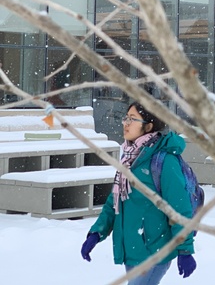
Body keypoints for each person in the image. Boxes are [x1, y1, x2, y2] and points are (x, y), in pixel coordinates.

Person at [80, 102, 197, 284]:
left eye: (132, 119)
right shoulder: (130, 158)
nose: (125, 123)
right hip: (133, 250)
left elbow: (180, 208)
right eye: (125, 118)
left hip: (153, 251)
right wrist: (97, 233)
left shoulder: (164, 161)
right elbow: (116, 201)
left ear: (148, 126)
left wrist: (185, 250)